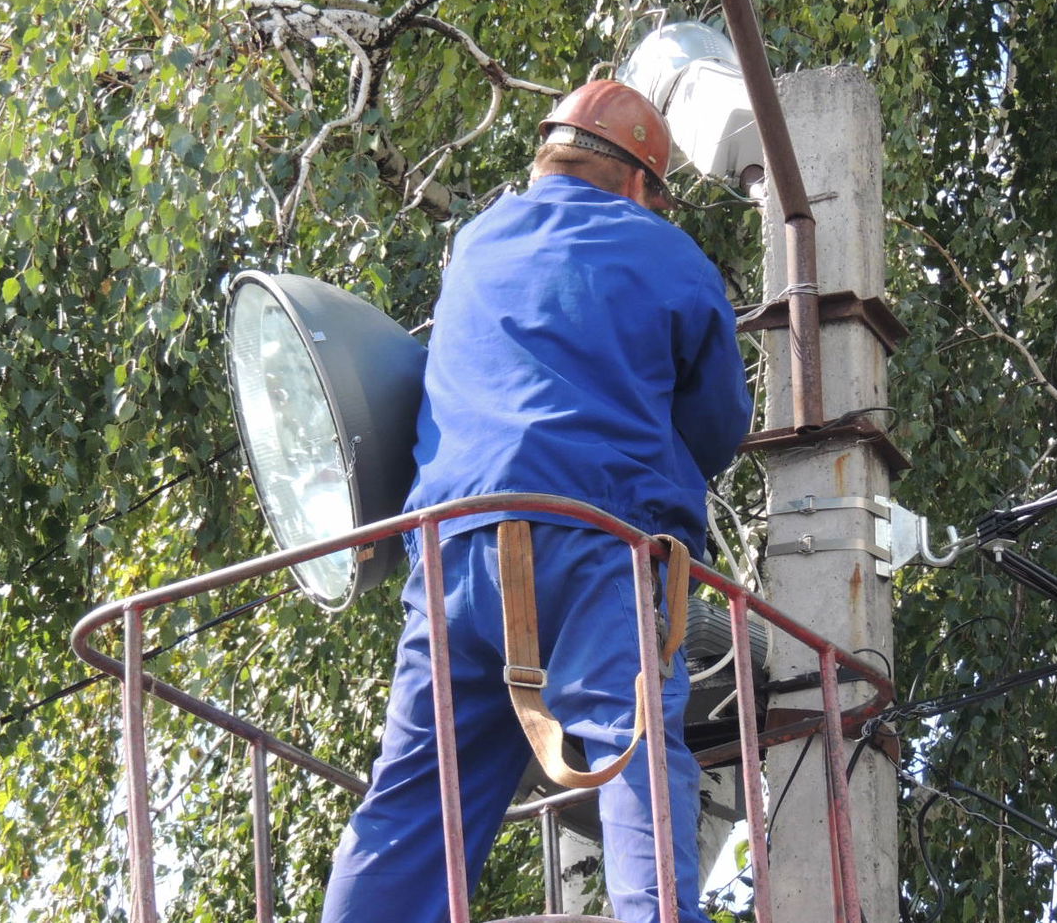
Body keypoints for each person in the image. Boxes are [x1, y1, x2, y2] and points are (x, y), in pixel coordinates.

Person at [321, 80, 752, 923]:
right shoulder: (667, 256)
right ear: (638, 183)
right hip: (595, 546)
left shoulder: (476, 244)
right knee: (632, 750)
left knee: (418, 793)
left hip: (453, 552)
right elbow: (717, 424)